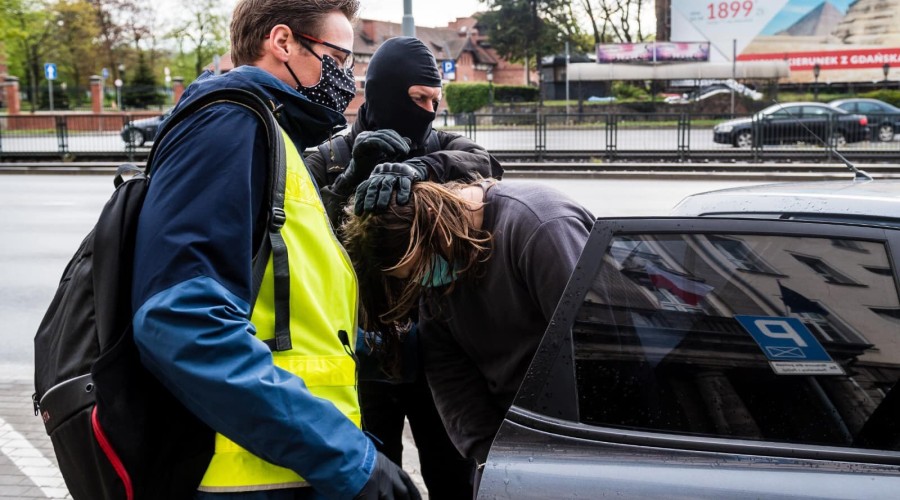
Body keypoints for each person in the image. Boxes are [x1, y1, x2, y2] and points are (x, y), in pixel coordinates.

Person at [130, 0, 420, 498]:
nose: (348, 79)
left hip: (286, 468)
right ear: (283, 42)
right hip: (248, 477)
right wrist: (347, 460)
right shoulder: (228, 125)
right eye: (339, 57)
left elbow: (287, 294)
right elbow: (182, 320)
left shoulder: (269, 130)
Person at [304, 36, 502, 499]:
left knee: (452, 474)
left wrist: (423, 168)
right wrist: (347, 184)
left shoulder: (442, 146)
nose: (429, 110)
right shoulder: (329, 158)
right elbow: (298, 230)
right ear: (385, 93)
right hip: (359, 349)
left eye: (436, 100)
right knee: (373, 479)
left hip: (437, 347)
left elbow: (487, 164)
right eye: (418, 99)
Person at [341, 179, 595, 489]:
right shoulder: (440, 263)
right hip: (515, 448)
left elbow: (596, 350)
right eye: (411, 277)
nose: (424, 280)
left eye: (418, 266)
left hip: (587, 442)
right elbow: (450, 376)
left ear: (433, 221)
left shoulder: (540, 226)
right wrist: (490, 456)